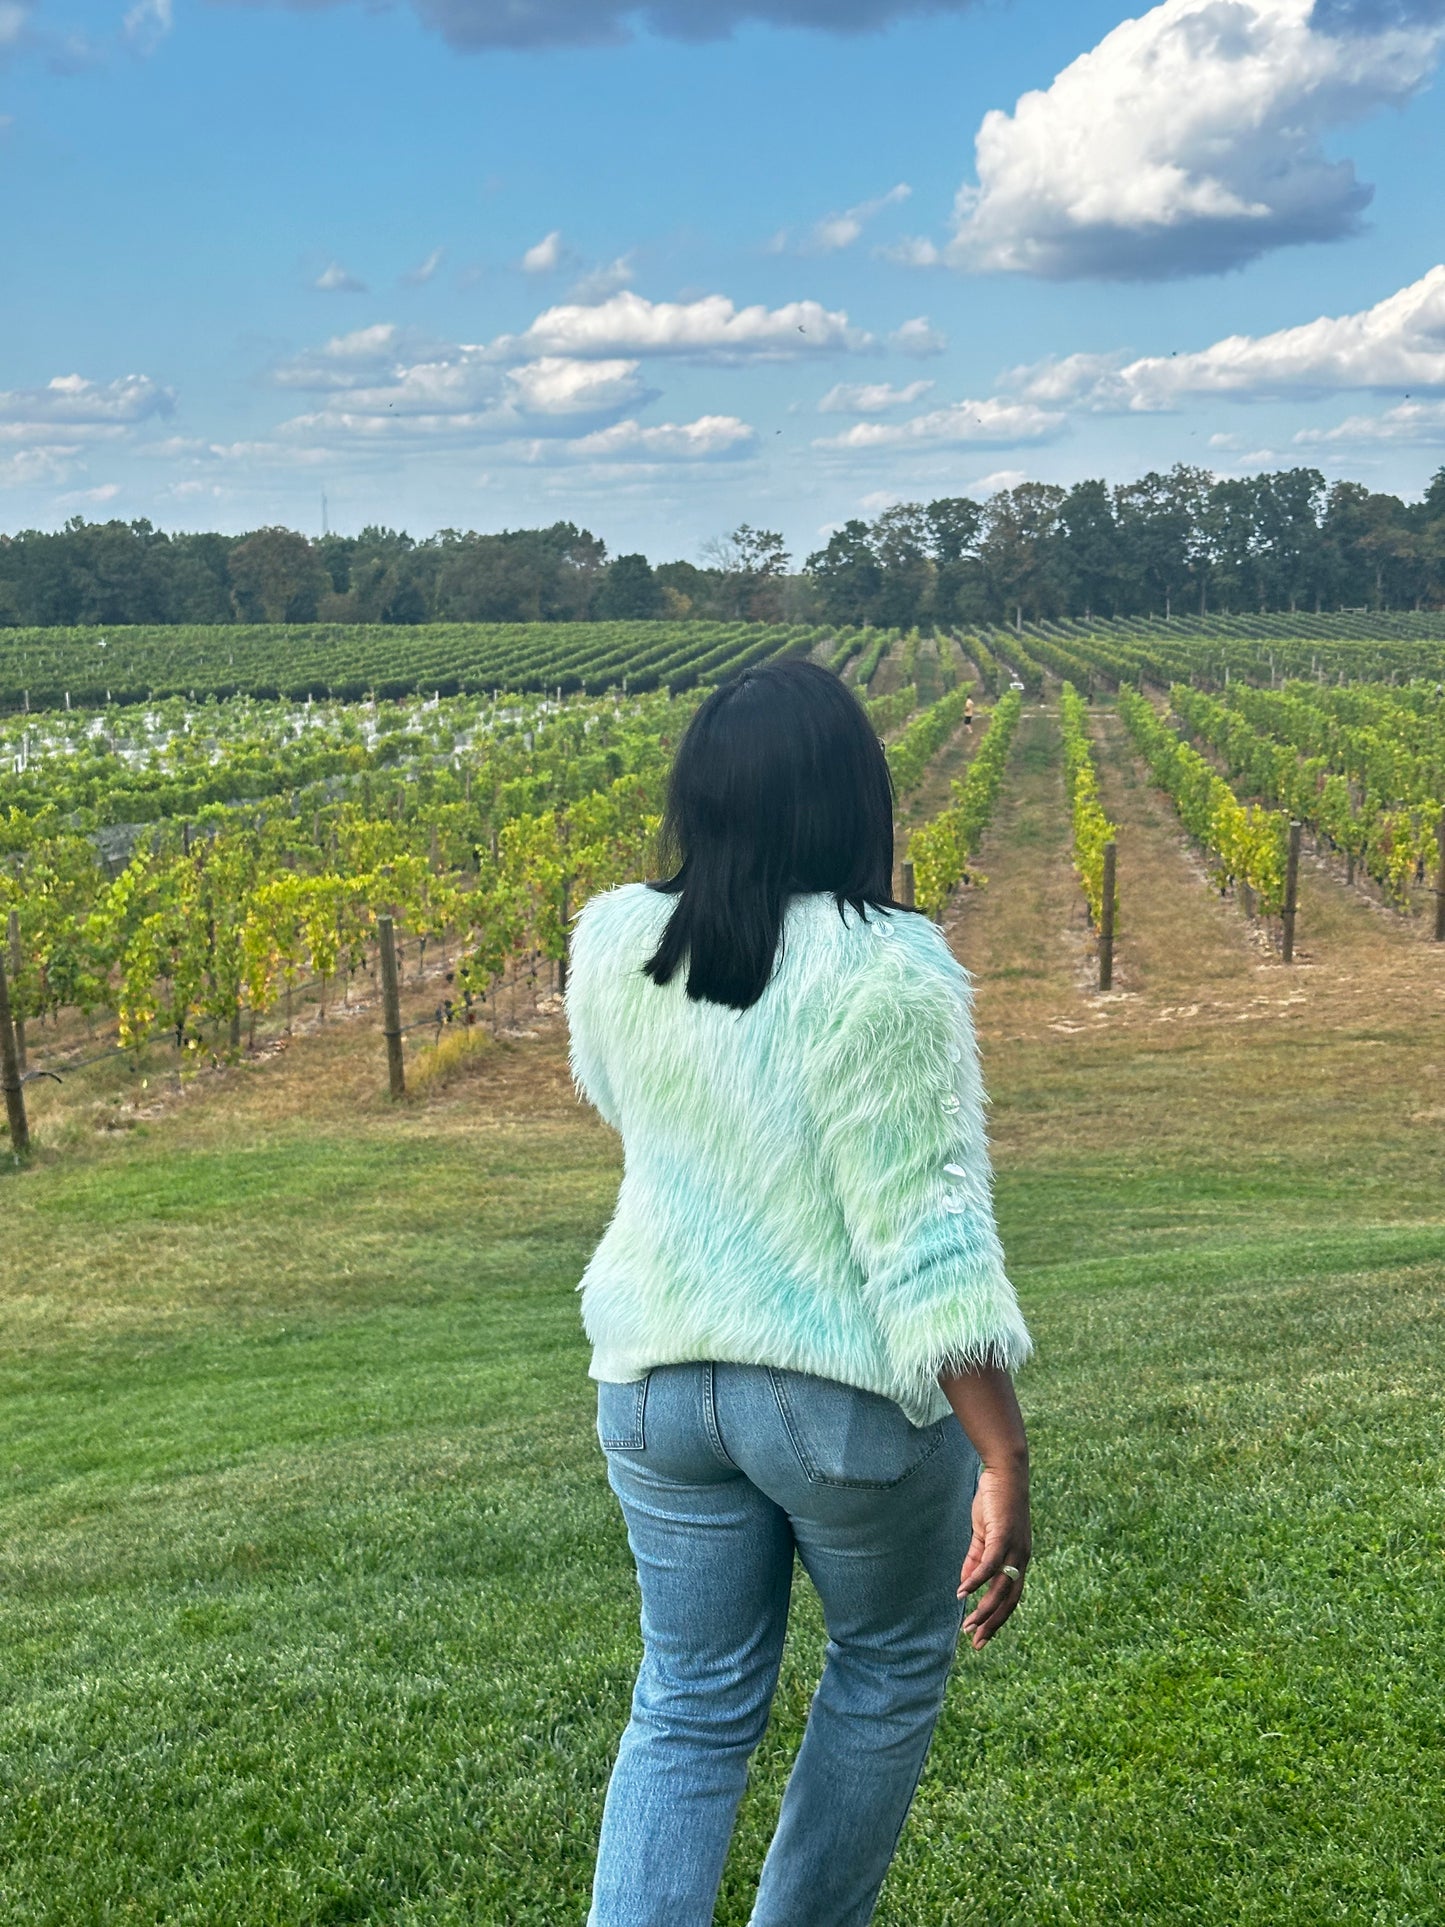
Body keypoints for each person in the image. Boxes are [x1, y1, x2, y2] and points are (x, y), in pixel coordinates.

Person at [566, 659, 1032, 1927]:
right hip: (836, 1402)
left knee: (688, 1697)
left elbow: (624, 1103)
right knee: (884, 1666)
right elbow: (922, 1239)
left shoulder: (617, 943)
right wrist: (1003, 1453)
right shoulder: (885, 967)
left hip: (654, 1388)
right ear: (849, 799)